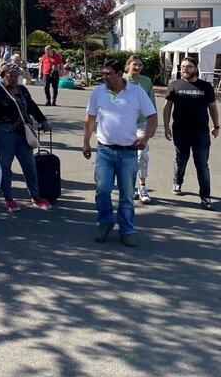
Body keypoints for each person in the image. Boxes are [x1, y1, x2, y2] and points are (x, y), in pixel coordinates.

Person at [82, 59, 158, 246]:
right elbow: (90, 118)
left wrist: (145, 137)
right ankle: (105, 222)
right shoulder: (98, 92)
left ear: (118, 74)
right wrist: (85, 142)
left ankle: (127, 229)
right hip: (104, 150)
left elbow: (152, 116)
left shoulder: (136, 92)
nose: (104, 77)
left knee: (126, 195)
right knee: (102, 190)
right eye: (103, 73)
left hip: (128, 152)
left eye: (108, 73)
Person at [0, 63, 52, 212]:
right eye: (10, 76)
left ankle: (35, 197)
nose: (14, 79)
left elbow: (32, 107)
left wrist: (43, 121)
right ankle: (8, 199)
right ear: (2, 76)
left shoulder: (22, 90)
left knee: (30, 166)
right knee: (5, 168)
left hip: (23, 134)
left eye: (16, 76)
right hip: (4, 134)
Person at [163, 57, 219, 208]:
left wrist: (216, 126)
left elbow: (212, 107)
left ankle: (205, 196)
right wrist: (166, 126)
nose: (185, 69)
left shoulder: (206, 86)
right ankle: (177, 181)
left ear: (196, 68)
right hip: (180, 131)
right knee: (181, 159)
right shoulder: (174, 85)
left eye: (189, 66)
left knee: (202, 164)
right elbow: (167, 107)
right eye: (182, 67)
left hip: (201, 132)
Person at [124, 54, 157, 204]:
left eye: (140, 65)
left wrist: (153, 125)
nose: (137, 67)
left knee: (141, 153)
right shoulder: (120, 80)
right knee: (125, 155)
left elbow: (152, 103)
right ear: (128, 66)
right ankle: (129, 186)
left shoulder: (146, 81)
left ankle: (142, 186)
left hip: (142, 123)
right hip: (124, 124)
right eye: (134, 64)